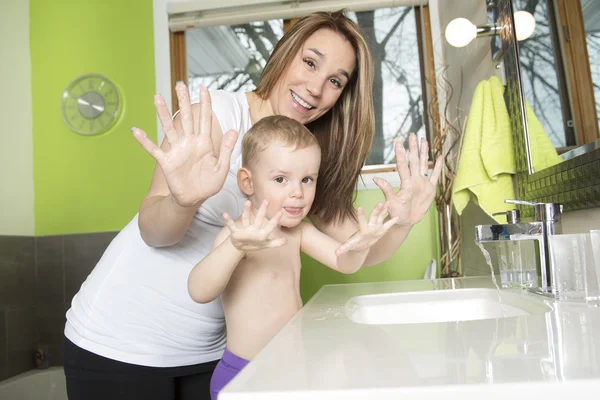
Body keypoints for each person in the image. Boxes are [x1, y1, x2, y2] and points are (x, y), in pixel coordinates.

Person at [63, 9, 443, 400]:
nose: (316, 87)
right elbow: (154, 233)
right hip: (117, 341)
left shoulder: (304, 160)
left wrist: (404, 221)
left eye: (334, 81)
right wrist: (183, 200)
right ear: (285, 54)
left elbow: (355, 248)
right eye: (310, 62)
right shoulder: (216, 119)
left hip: (211, 352)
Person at [186, 115, 399, 399]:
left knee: (352, 356)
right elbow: (199, 291)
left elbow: (343, 262)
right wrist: (235, 246)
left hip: (291, 371)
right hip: (247, 375)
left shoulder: (298, 232)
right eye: (280, 179)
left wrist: (361, 244)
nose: (297, 192)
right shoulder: (238, 235)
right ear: (247, 182)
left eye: (307, 179)